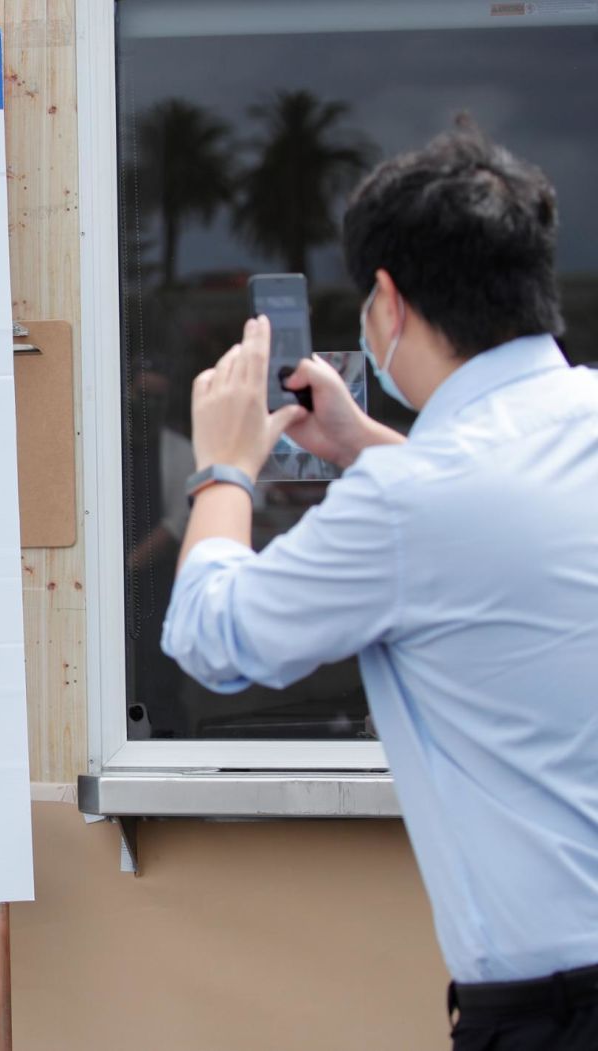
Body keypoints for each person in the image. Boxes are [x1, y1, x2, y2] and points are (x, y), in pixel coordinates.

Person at [162, 121, 598, 1050]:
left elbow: (214, 633)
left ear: (389, 302)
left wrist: (225, 467)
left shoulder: (412, 502)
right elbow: (501, 525)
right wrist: (365, 446)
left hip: (559, 1010)